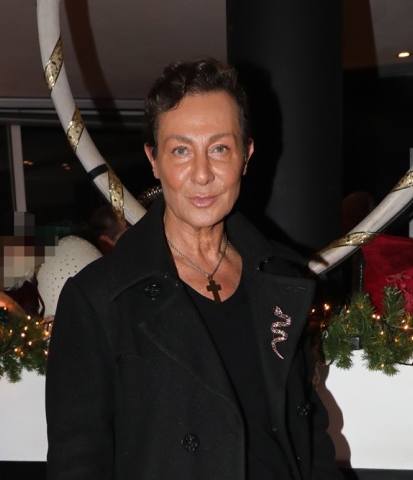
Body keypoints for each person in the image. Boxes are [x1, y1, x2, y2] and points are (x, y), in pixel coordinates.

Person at [45, 57, 344, 479]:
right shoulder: (99, 299)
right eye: (181, 150)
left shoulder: (281, 278)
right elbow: (76, 464)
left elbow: (308, 437)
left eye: (219, 148)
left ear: (246, 155)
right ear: (153, 159)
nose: (202, 174)